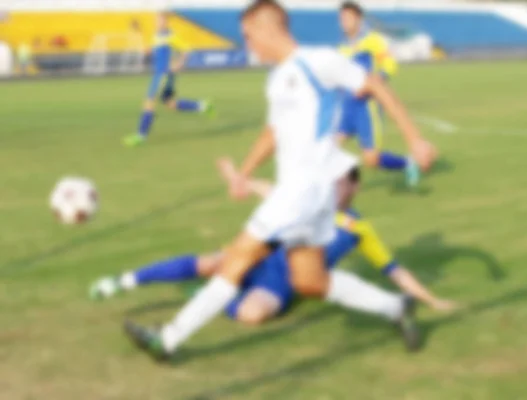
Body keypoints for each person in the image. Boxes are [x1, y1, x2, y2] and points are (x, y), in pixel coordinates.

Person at [123, 0, 437, 361]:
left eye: (248, 34)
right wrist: (244, 172)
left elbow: (376, 86)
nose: (247, 43)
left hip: (305, 189)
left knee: (238, 258)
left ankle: (168, 339)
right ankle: (396, 307)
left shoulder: (317, 61)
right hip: (311, 195)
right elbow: (271, 133)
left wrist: (414, 139)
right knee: (310, 281)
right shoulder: (275, 80)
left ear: (267, 27)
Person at [90, 159, 456, 326]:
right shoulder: (309, 200)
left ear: (356, 187)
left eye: (344, 182)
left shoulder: (361, 229)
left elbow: (394, 270)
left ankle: (213, 298)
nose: (336, 187)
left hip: (282, 284)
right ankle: (122, 281)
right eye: (333, 180)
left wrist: (432, 300)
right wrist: (237, 176)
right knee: (211, 261)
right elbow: (267, 190)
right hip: (260, 258)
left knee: (252, 315)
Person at [337, 1, 424, 187]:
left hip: (367, 108)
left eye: (348, 18)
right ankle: (331, 190)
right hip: (347, 108)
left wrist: (376, 82)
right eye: (342, 18)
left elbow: (390, 64)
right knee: (327, 148)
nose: (344, 22)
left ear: (358, 19)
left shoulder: (373, 40)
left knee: (371, 159)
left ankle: (408, 163)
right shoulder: (342, 48)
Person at [123, 12, 214, 147]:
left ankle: (140, 135)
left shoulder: (170, 36)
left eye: (159, 21)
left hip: (163, 74)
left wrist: (179, 63)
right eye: (156, 21)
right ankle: (202, 106)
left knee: (149, 102)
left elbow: (187, 49)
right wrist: (140, 31)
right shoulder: (156, 36)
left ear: (165, 22)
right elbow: (149, 52)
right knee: (170, 104)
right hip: (162, 75)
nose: (157, 23)